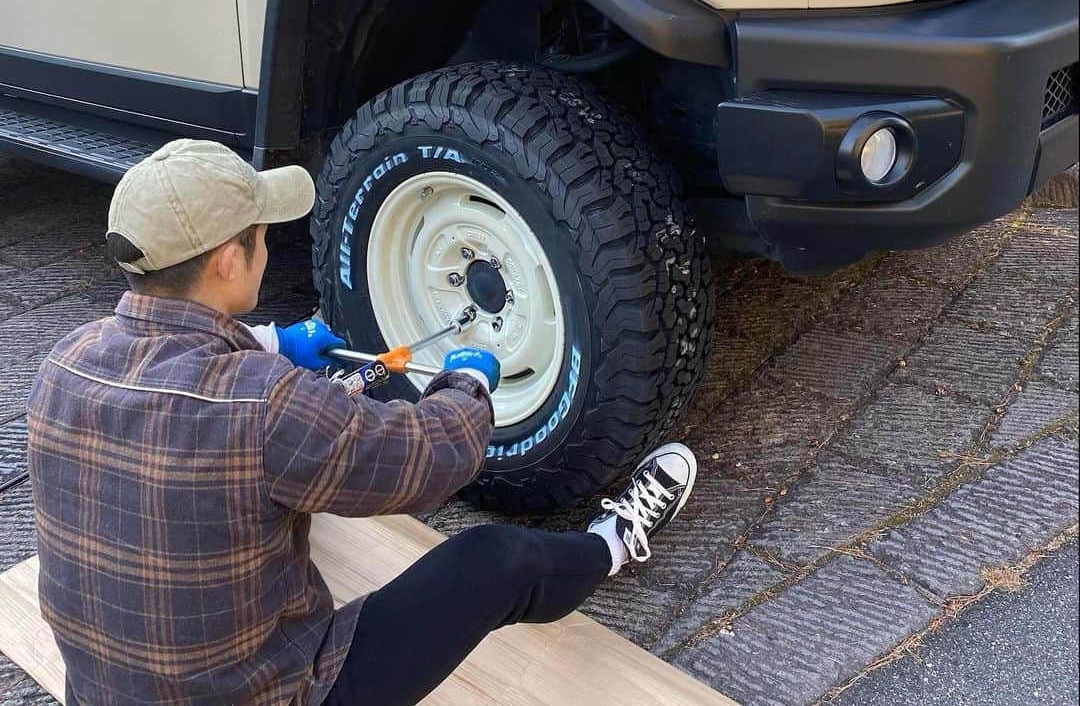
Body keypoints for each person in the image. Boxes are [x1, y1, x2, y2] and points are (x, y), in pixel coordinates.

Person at [27, 139, 698, 706]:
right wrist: (467, 382)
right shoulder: (264, 405)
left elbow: (182, 372)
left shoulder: (66, 361)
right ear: (230, 259)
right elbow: (432, 457)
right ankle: (613, 541)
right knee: (496, 558)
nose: (268, 244)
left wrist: (273, 342)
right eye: (261, 235)